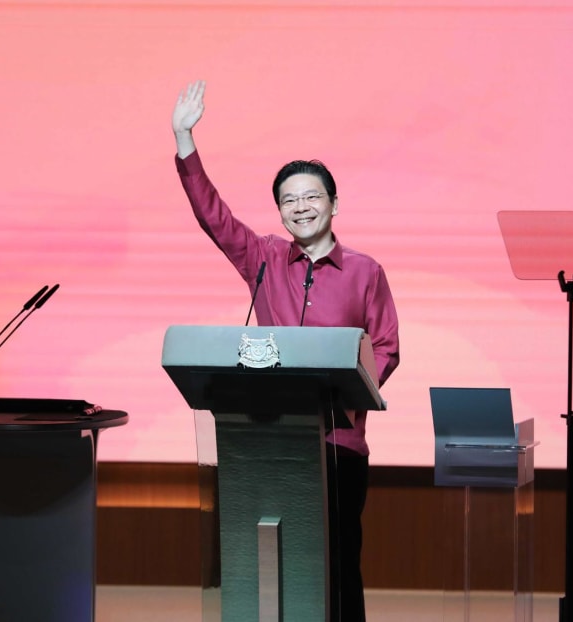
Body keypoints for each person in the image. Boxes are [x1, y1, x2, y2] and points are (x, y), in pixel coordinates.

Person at [172, 80, 400, 621]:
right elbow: (213, 217)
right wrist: (184, 138)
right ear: (279, 213)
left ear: (335, 204)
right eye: (289, 200)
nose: (301, 208)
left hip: (339, 444)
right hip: (269, 440)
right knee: (273, 560)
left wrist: (349, 390)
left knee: (340, 563)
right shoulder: (264, 259)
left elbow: (386, 347)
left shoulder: (366, 271)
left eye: (312, 197)